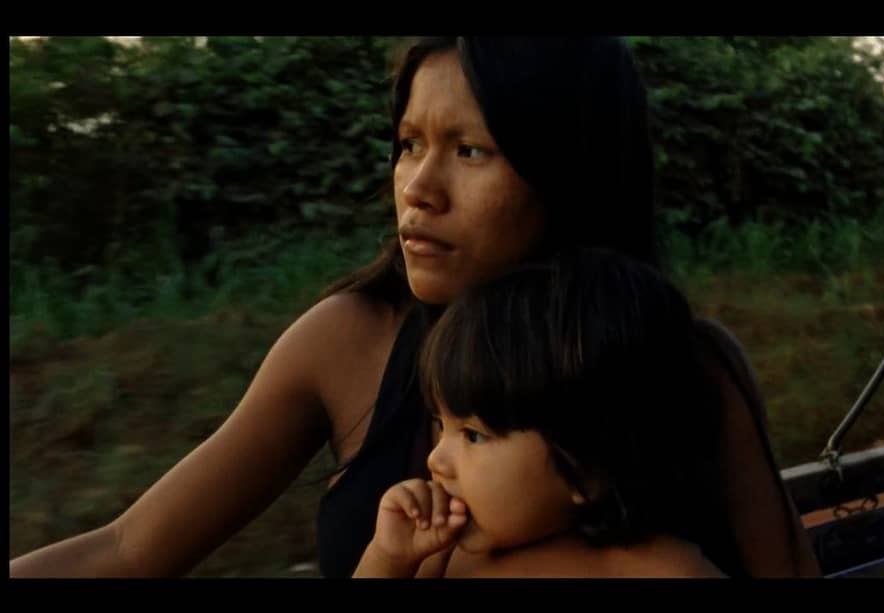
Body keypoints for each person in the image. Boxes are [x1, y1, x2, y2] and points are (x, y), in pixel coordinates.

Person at [9, 36, 820, 578]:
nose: (418, 188)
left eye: (471, 150)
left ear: (568, 171)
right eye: (408, 144)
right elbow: (128, 549)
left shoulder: (683, 367)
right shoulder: (345, 341)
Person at [354, 248, 731, 578]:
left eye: (473, 435)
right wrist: (387, 560)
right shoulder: (441, 558)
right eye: (441, 424)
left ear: (586, 469)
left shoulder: (662, 570)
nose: (436, 460)